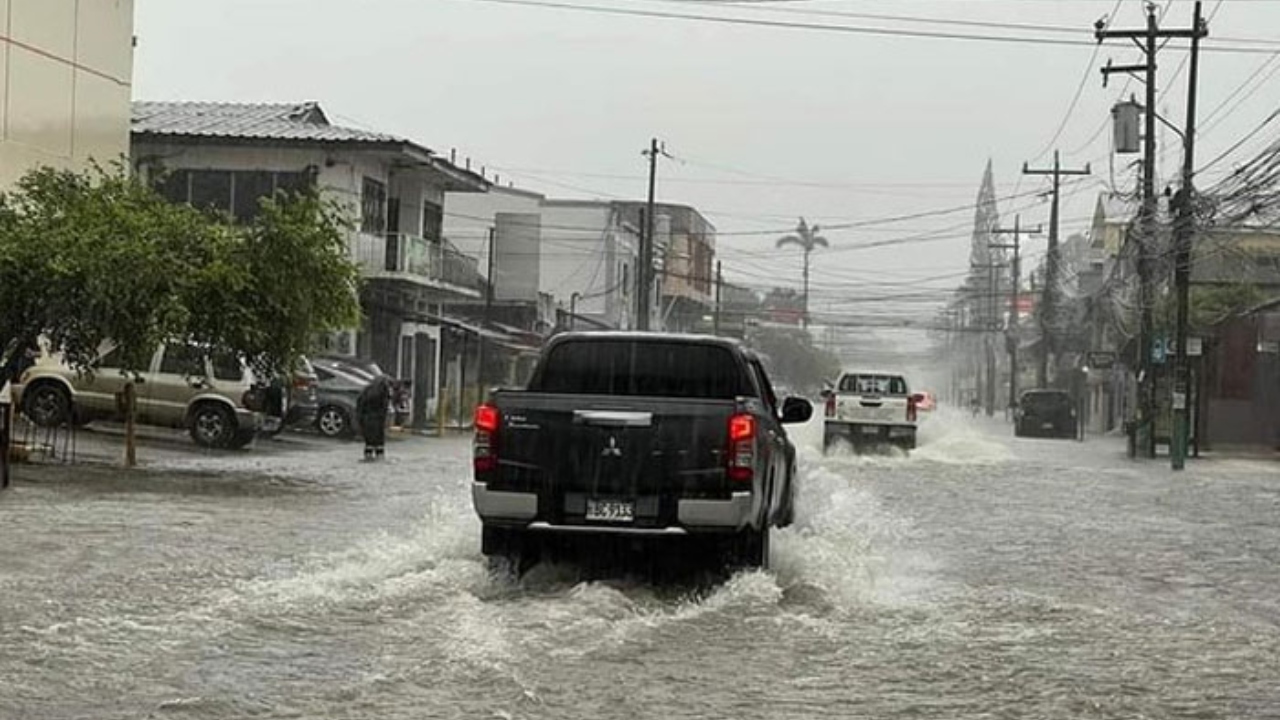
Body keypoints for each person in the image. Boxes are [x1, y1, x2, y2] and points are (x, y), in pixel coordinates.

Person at [356, 373, 392, 460]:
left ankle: (368, 455)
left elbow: (359, 404)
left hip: (366, 419)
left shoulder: (366, 390)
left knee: (369, 440)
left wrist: (360, 418)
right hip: (378, 419)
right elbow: (384, 407)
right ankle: (379, 455)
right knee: (379, 439)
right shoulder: (384, 392)